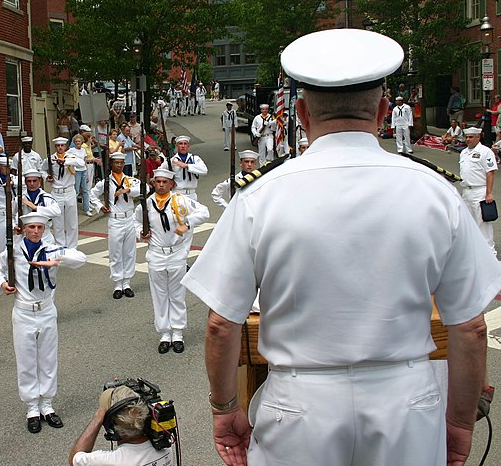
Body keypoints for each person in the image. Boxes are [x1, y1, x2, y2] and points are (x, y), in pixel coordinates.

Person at [184, 28, 500, 466]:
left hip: (300, 406)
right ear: (385, 110)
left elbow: (222, 323)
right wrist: (461, 422)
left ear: (299, 112)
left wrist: (224, 410)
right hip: (405, 405)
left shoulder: (260, 196)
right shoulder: (435, 192)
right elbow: (470, 328)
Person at [0, 212, 87, 433]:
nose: (35, 231)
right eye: (31, 227)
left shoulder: (51, 249)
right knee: (26, 361)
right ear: (24, 229)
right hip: (23, 312)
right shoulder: (13, 251)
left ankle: (47, 405)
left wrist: (57, 261)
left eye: (39, 228)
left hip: (46, 310)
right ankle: (32, 408)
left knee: (48, 358)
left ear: (44, 230)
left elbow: (81, 258)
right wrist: (3, 283)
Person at [135, 169, 209, 354]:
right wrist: (141, 233)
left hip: (176, 253)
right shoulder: (146, 204)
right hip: (156, 254)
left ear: (171, 184)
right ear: (153, 183)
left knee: (176, 294)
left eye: (164, 182)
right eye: (157, 181)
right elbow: (135, 223)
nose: (161, 184)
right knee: (159, 295)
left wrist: (187, 223)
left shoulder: (180, 200)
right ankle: (164, 334)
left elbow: (204, 212)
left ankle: (177, 333)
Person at [69, 385, 174, 466]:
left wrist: (97, 419)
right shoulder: (166, 448)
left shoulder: (110, 461)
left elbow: (74, 458)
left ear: (110, 425)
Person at [89, 152, 141, 299]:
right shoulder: (105, 182)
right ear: (111, 164)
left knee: (129, 252)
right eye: (116, 163)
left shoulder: (129, 180)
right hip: (115, 219)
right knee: (116, 252)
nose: (119, 165)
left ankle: (127, 283)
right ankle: (118, 284)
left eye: (121, 163)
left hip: (129, 218)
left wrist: (128, 190)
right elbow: (92, 194)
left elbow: (145, 189)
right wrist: (100, 206)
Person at [41, 137, 85, 248]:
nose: (60, 147)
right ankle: (60, 245)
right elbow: (41, 170)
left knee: (72, 223)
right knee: (58, 222)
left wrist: (66, 161)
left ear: (65, 146)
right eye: (58, 146)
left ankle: (72, 247)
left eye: (62, 145)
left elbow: (81, 163)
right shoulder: (51, 159)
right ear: (55, 147)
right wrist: (47, 177)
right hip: (56, 192)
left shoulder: (71, 157)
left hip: (69, 191)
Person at [460, 126, 497, 256]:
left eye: (471, 137)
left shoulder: (485, 152)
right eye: (466, 137)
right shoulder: (463, 152)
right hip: (466, 191)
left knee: (483, 224)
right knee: (469, 222)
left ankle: (490, 253)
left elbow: (490, 173)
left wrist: (489, 193)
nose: (468, 139)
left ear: (478, 137)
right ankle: (475, 252)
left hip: (480, 191)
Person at [15, 168, 61, 246]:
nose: (32, 184)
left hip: (45, 236)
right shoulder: (19, 198)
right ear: (25, 182)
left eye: (34, 181)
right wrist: (15, 226)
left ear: (39, 181)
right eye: (29, 181)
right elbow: (11, 215)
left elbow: (57, 211)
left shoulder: (47, 197)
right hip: (25, 236)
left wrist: (36, 208)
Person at [158, 135, 207, 201]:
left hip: (192, 194)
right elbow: (159, 173)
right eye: (180, 144)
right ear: (177, 146)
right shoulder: (172, 161)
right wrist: (168, 181)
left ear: (188, 146)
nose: (183, 146)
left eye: (185, 144)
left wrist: (187, 166)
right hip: (177, 193)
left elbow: (204, 170)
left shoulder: (195, 159)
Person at [70, 133, 92, 216]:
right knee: (76, 191)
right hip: (76, 171)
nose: (78, 143)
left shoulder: (83, 150)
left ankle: (86, 208)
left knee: (85, 190)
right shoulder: (71, 150)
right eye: (76, 141)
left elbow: (85, 161)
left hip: (84, 170)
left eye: (79, 141)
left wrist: (87, 174)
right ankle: (73, 210)